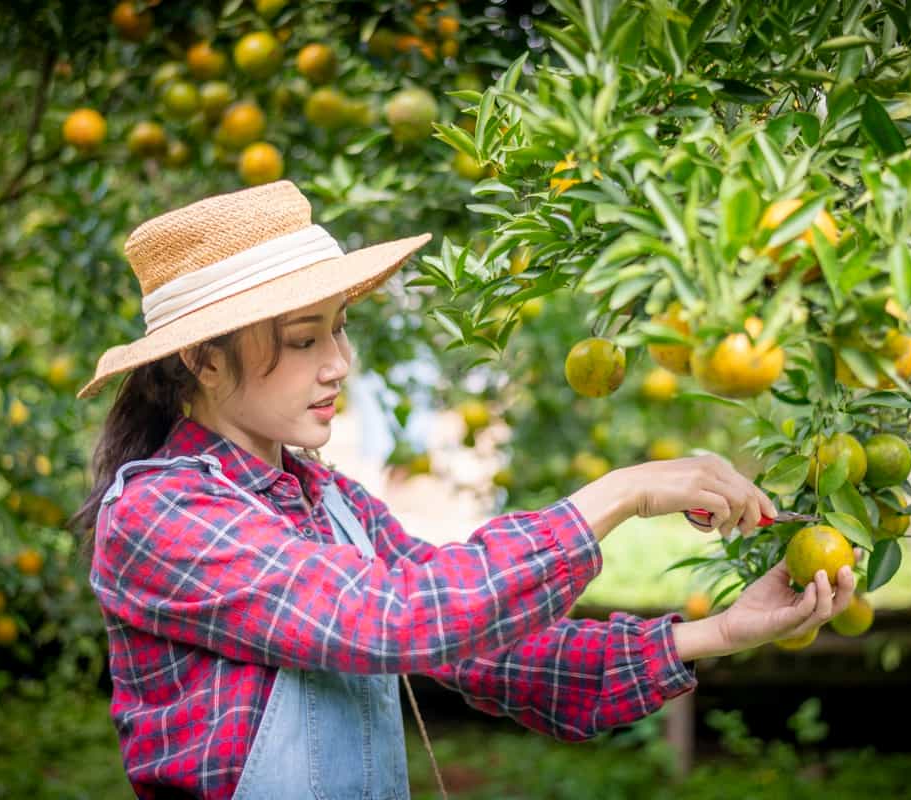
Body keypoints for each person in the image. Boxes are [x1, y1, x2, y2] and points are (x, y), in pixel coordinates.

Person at [71, 181, 856, 800]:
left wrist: (717, 632)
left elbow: (484, 646)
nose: (338, 362)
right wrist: (613, 496)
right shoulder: (160, 513)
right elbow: (395, 620)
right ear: (204, 363)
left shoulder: (332, 503)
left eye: (339, 327)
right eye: (305, 339)